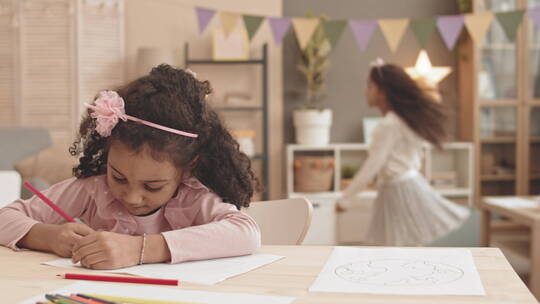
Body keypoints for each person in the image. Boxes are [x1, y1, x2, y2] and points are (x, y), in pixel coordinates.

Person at [0, 65, 261, 269]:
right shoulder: (93, 190)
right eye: (119, 177)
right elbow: (4, 218)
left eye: (152, 186)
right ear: (107, 153)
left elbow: (245, 233)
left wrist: (139, 249)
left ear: (187, 168)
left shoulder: (191, 196)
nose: (133, 197)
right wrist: (49, 237)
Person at [337, 59, 469, 246]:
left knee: (395, 245)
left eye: (370, 87)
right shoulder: (404, 121)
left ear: (383, 92)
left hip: (399, 190)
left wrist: (345, 198)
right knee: (401, 244)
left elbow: (373, 165)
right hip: (405, 186)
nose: (365, 92)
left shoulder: (390, 124)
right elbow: (414, 157)